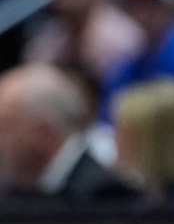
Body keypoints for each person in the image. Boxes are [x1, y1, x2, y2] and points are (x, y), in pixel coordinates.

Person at [0, 64, 140, 205]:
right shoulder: (32, 189)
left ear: (44, 129)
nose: (2, 142)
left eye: (6, 127)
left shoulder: (102, 193)